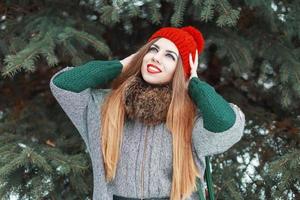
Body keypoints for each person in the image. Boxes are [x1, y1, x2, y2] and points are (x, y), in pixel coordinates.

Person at [49, 26, 246, 200]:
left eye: (170, 56)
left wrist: (194, 84)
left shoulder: (192, 116)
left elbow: (224, 122)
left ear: (181, 71)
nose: (156, 57)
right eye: (153, 49)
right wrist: (120, 65)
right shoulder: (104, 105)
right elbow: (63, 85)